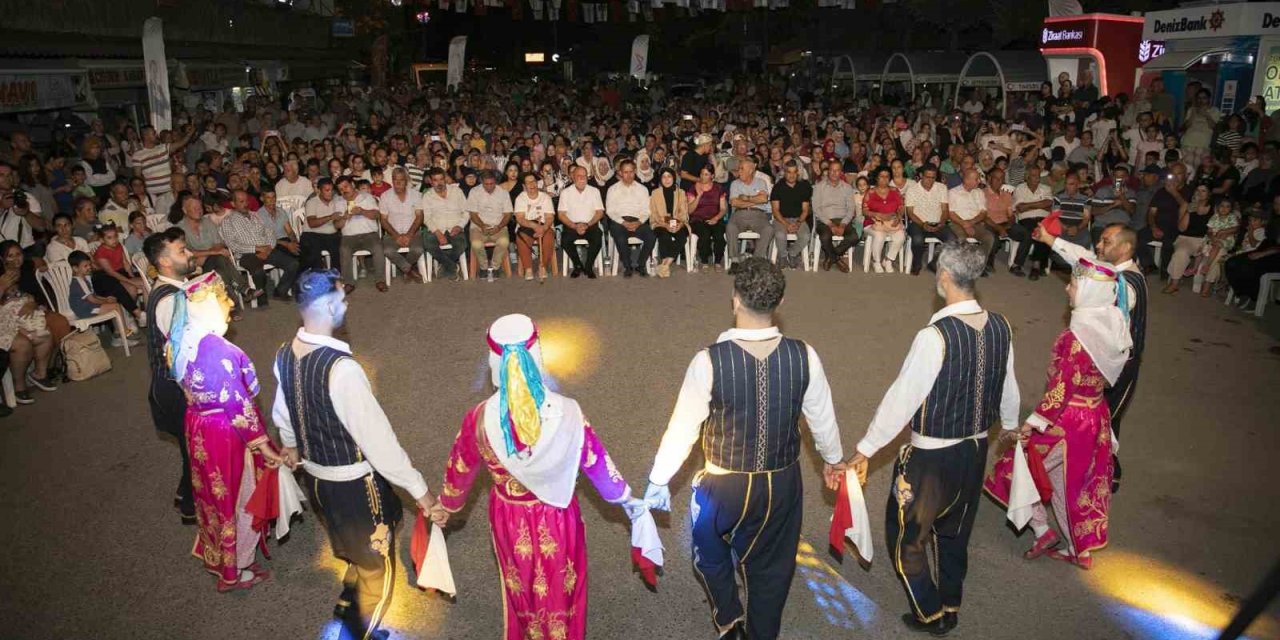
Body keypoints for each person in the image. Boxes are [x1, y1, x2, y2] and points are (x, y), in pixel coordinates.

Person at [642, 257, 845, 640]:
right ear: (779, 304)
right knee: (773, 565)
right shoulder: (806, 355)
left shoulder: (708, 361)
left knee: (708, 548)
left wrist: (659, 478)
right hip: (782, 482)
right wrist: (834, 460)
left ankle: (729, 618)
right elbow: (822, 418)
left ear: (734, 299)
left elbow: (683, 427)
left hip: (723, 484)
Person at [437, 313, 648, 640]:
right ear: (537, 354)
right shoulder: (568, 411)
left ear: (494, 360)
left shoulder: (479, 419)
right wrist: (628, 500)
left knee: (521, 588)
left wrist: (445, 507)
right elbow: (597, 463)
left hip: (510, 517)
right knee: (565, 585)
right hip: (559, 516)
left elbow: (460, 470)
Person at [847, 241, 1019, 636]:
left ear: (944, 278)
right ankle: (952, 602)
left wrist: (865, 449)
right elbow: (1008, 385)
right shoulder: (1001, 326)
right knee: (956, 531)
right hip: (976, 449)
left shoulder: (935, 336)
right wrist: (1009, 424)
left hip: (932, 460)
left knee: (906, 535)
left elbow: (902, 398)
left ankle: (930, 612)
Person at [272, 270, 443, 640]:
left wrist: (290, 444)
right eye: (342, 299)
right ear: (330, 306)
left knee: (348, 539)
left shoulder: (284, 354)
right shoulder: (343, 370)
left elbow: (283, 412)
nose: (347, 304)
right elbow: (378, 442)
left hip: (315, 478)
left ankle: (348, 595)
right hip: (354, 485)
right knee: (378, 570)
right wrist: (421, 492)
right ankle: (361, 629)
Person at [985, 257, 1130, 571]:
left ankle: (1041, 528)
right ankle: (1080, 549)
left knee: (1019, 466)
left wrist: (1033, 422)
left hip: (1067, 420)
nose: (1067, 288)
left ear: (1091, 292)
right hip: (1095, 414)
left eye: (1074, 284)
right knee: (1074, 482)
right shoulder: (1115, 323)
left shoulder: (1077, 337)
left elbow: (1062, 387)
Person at [168, 271, 285, 591]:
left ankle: (219, 557)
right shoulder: (219, 353)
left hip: (198, 426)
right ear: (207, 305)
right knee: (239, 493)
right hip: (225, 433)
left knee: (211, 494)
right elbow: (240, 407)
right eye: (223, 299)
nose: (230, 303)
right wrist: (265, 448)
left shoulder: (182, 341)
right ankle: (238, 569)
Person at [142, 228, 199, 524]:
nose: (189, 254)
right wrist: (190, 389)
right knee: (196, 449)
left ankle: (182, 494)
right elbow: (176, 354)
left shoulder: (173, 288)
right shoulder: (168, 300)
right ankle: (191, 507)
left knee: (189, 446)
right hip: (176, 388)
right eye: (181, 251)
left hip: (172, 384)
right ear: (164, 262)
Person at [220, 189, 299, 304]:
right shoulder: (228, 222)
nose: (245, 204)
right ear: (233, 204)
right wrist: (256, 249)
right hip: (246, 254)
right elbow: (233, 245)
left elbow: (270, 233)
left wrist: (268, 249)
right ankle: (262, 299)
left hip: (267, 249)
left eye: (246, 201)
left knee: (293, 264)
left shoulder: (255, 215)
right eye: (241, 201)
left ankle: (280, 290)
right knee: (258, 272)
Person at [333, 175, 387, 293]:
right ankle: (348, 283)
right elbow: (336, 226)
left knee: (378, 248)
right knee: (344, 249)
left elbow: (376, 215)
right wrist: (345, 217)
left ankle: (380, 280)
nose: (344, 190)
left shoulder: (366, 197)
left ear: (352, 184)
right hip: (349, 237)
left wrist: (362, 211)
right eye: (341, 189)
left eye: (346, 186)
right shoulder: (338, 201)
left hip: (369, 234)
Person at [606, 159, 657, 278]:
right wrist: (623, 222)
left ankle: (640, 264)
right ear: (620, 173)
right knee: (620, 236)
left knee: (651, 236)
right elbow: (610, 211)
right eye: (625, 172)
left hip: (637, 220)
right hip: (619, 221)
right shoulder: (613, 189)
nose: (628, 175)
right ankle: (627, 266)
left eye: (631, 172)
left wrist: (638, 222)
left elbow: (646, 210)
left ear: (635, 172)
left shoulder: (642, 189)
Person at [1162, 185, 1214, 294]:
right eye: (1197, 190)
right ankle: (1174, 283)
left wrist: (1206, 242)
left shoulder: (1214, 208)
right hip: (1186, 238)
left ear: (1209, 194)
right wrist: (1189, 211)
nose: (1200, 193)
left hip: (1205, 239)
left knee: (1212, 253)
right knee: (1181, 253)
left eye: (1203, 191)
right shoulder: (1186, 205)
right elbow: (1181, 228)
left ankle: (1205, 286)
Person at [419, 168, 469, 282]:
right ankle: (452, 266)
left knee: (462, 244)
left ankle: (445, 265)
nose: (440, 183)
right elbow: (426, 218)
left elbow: (466, 212)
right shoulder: (427, 196)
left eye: (441, 179)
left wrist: (460, 226)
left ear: (445, 179)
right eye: (436, 180)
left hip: (455, 226)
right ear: (431, 182)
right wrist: (437, 233)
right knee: (428, 243)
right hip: (436, 227)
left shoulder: (457, 192)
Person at [378, 167, 426, 283]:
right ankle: (409, 270)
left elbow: (419, 217)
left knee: (418, 249)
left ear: (406, 180)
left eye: (401, 180)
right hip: (392, 233)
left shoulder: (416, 195)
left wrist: (409, 235)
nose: (398, 183)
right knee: (388, 250)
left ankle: (405, 269)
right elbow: (383, 220)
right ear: (392, 180)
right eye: (395, 180)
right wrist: (396, 236)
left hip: (413, 232)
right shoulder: (385, 196)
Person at [557, 165, 605, 279]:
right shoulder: (565, 192)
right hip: (572, 225)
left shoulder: (594, 191)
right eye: (579, 176)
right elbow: (561, 214)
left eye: (584, 176)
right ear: (573, 177)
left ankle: (588, 266)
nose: (582, 179)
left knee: (598, 237)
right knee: (565, 240)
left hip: (590, 224)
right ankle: (577, 265)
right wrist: (575, 226)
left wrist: (587, 225)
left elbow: (599, 212)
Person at [726, 156, 775, 265]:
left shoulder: (761, 182)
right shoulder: (735, 184)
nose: (739, 171)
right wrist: (755, 201)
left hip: (758, 215)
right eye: (739, 169)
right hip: (739, 214)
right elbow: (734, 202)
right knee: (731, 227)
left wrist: (746, 198)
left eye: (742, 169)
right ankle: (734, 260)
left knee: (769, 229)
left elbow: (764, 199)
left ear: (751, 170)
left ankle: (756, 260)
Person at [466, 170, 513, 281]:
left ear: (495, 182)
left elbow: (508, 214)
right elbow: (472, 214)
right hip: (478, 226)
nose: (489, 187)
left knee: (504, 242)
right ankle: (484, 266)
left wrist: (499, 226)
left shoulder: (503, 193)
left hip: (498, 226)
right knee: (476, 244)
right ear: (482, 182)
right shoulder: (474, 192)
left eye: (492, 184)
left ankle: (496, 267)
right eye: (486, 184)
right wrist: (482, 225)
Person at [905, 165, 952, 274]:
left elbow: (945, 210)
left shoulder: (941, 188)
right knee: (917, 239)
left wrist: (942, 222)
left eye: (933, 177)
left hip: (937, 222)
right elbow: (910, 213)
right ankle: (917, 263)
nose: (930, 180)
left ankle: (934, 263)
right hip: (918, 222)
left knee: (952, 240)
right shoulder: (912, 190)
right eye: (928, 177)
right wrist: (923, 224)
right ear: (921, 175)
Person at [812, 162, 858, 272]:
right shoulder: (819, 187)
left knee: (854, 237)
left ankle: (831, 257)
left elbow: (851, 208)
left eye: (837, 170)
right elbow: (816, 209)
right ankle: (837, 259)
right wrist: (830, 224)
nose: (834, 173)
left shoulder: (847, 187)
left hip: (842, 220)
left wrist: (843, 224)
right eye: (832, 170)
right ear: (828, 171)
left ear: (841, 172)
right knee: (825, 237)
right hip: (825, 220)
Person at [512, 172, 556, 281]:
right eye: (528, 182)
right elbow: (520, 218)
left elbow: (550, 217)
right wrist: (534, 226)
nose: (532, 184)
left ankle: (543, 267)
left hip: (544, 225)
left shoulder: (545, 197)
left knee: (548, 237)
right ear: (524, 186)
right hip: (527, 225)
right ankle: (528, 268)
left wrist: (543, 228)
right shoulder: (520, 198)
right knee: (521, 238)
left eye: (534, 181)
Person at [769, 162, 812, 269]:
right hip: (781, 219)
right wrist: (786, 224)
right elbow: (775, 210)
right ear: (784, 173)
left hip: (799, 219)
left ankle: (792, 253)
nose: (792, 175)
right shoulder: (777, 187)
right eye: (789, 172)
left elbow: (805, 210)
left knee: (806, 236)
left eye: (794, 172)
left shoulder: (803, 186)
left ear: (797, 173)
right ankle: (782, 256)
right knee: (780, 235)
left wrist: (798, 223)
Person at [1196, 197, 1242, 296]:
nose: (1224, 209)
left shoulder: (1232, 218)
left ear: (1231, 209)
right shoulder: (1214, 217)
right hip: (1212, 240)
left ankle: (1206, 284)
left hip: (1225, 242)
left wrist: (1224, 232)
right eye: (1222, 206)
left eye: (1227, 207)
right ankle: (1197, 270)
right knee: (1201, 249)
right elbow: (1209, 231)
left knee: (1217, 256)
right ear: (1217, 207)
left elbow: (1236, 229)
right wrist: (1212, 237)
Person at [864, 167, 907, 273]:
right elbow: (864, 211)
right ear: (877, 178)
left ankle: (888, 260)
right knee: (880, 235)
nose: (884, 179)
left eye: (887, 177)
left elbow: (901, 207)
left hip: (892, 222)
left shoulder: (895, 191)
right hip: (873, 223)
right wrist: (877, 214)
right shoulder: (870, 192)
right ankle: (876, 261)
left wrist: (898, 217)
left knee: (901, 236)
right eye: (881, 177)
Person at [650, 167, 689, 278]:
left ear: (674, 178)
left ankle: (665, 264)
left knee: (682, 237)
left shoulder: (680, 193)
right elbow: (654, 214)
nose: (667, 179)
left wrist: (679, 224)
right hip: (661, 223)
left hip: (678, 222)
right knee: (664, 235)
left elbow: (683, 212)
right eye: (664, 177)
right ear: (660, 179)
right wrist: (665, 225)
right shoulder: (655, 193)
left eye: (669, 176)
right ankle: (665, 265)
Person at [688, 164, 728, 271]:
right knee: (704, 234)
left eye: (706, 174)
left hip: (715, 218)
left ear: (712, 176)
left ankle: (718, 261)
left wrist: (716, 218)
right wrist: (699, 195)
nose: (703, 176)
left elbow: (723, 209)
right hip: (698, 220)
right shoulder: (693, 188)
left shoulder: (719, 188)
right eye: (701, 174)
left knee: (719, 235)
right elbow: (689, 210)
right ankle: (704, 261)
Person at [300, 177, 344, 272]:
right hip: (312, 234)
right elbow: (312, 223)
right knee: (314, 252)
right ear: (319, 190)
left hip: (331, 235)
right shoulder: (312, 202)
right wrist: (330, 217)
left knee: (340, 248)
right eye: (327, 190)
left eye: (332, 190)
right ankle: (319, 277)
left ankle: (335, 277)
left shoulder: (336, 201)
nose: (330, 192)